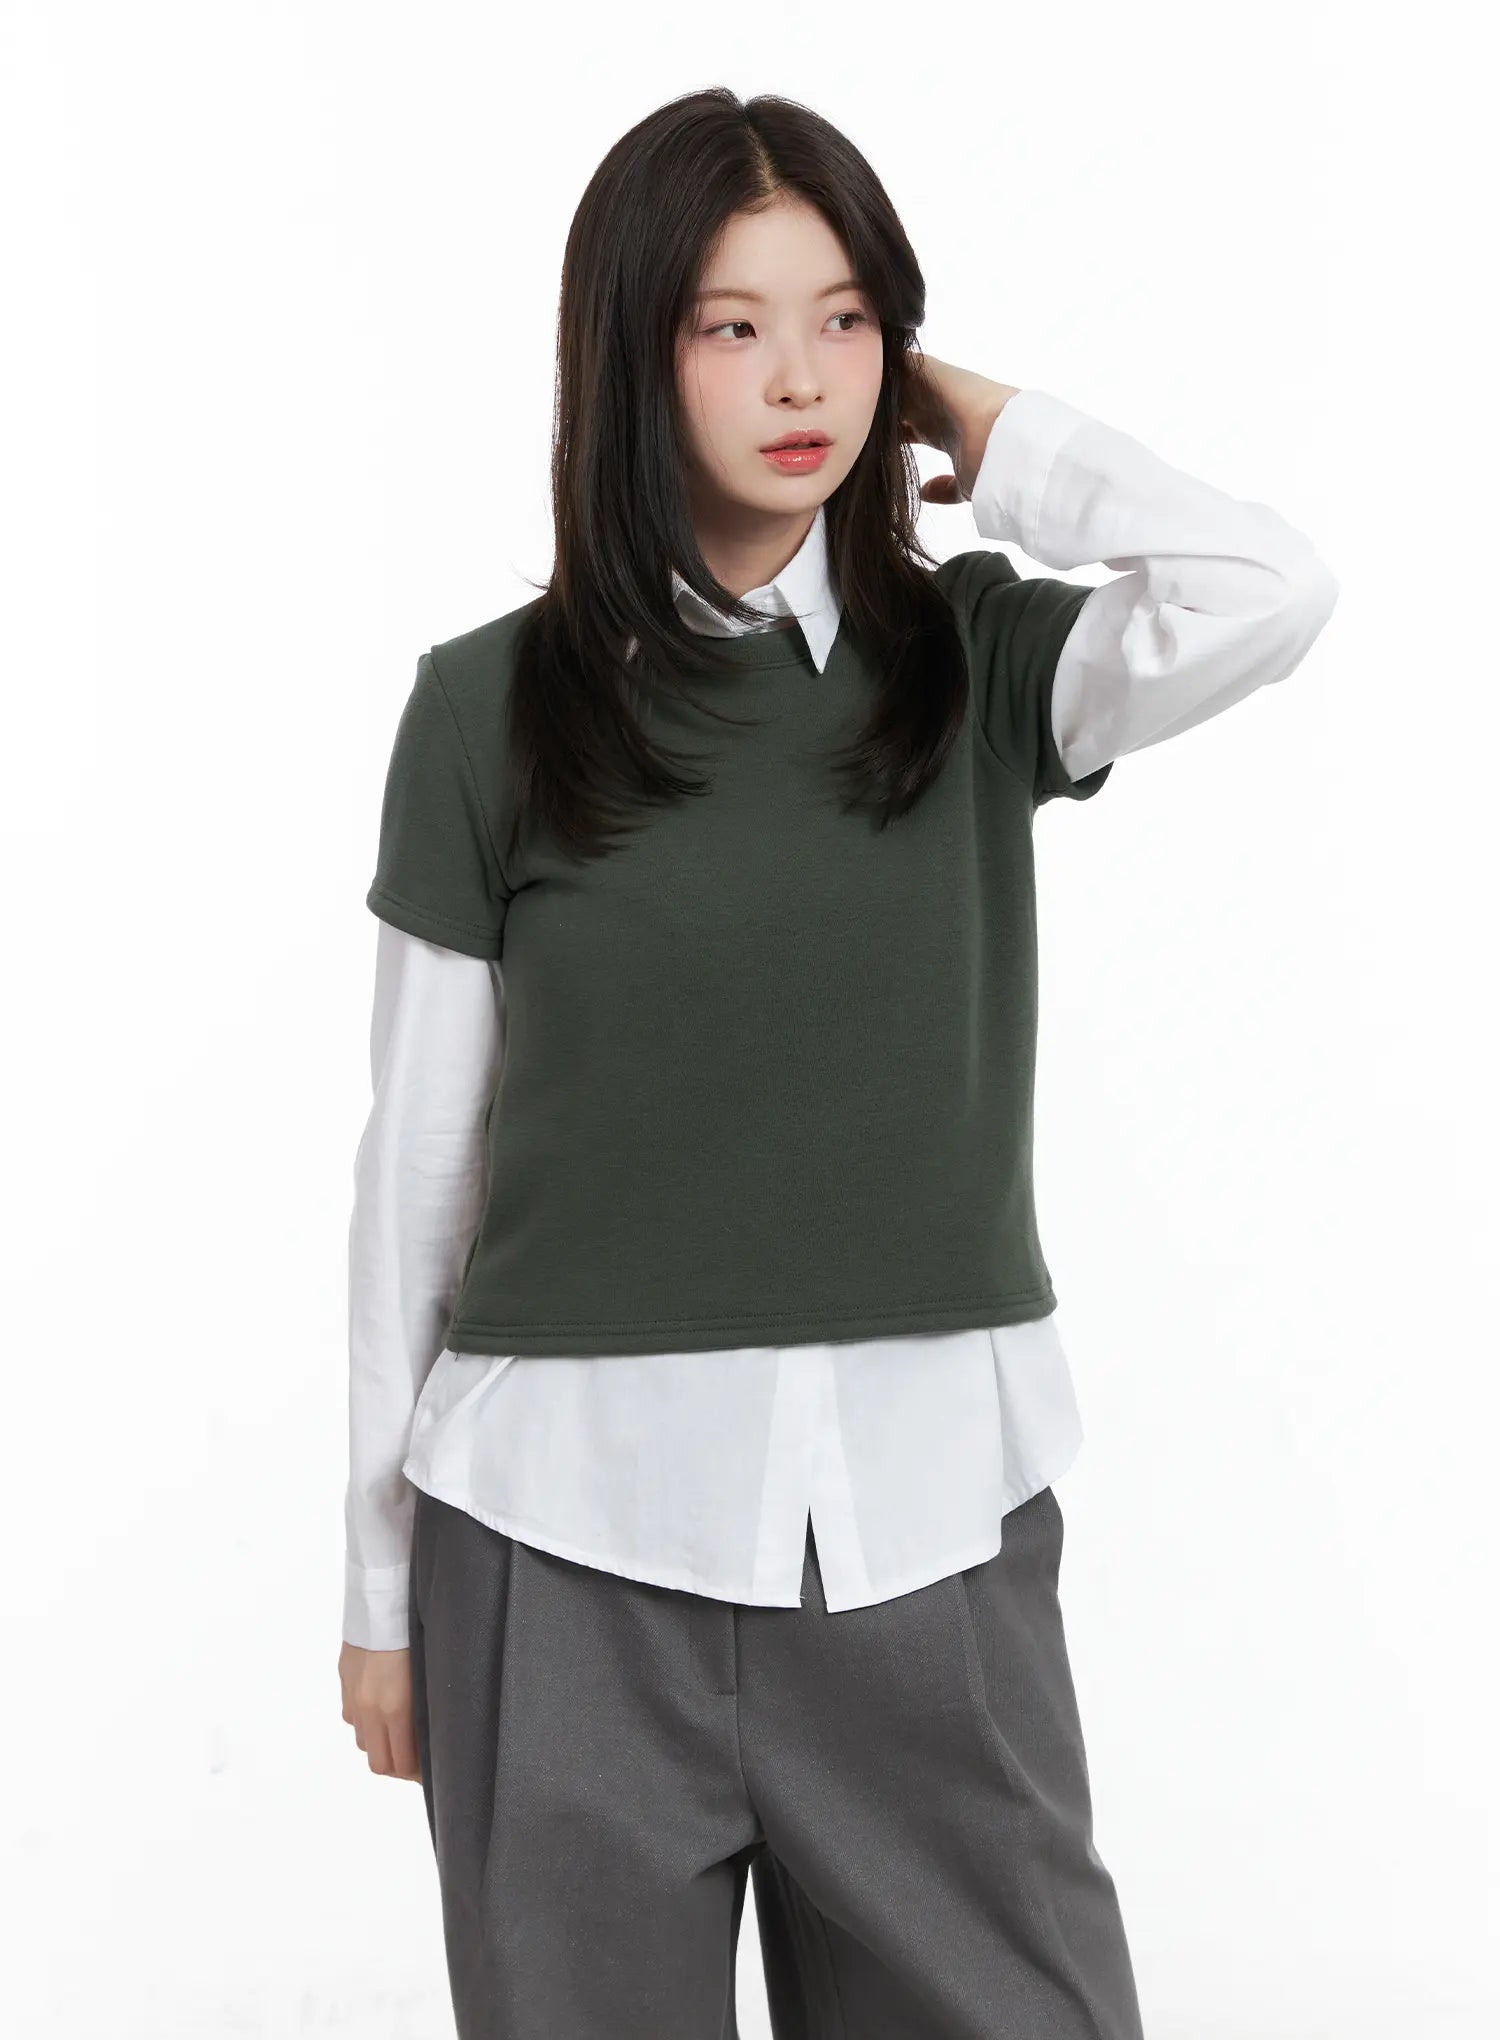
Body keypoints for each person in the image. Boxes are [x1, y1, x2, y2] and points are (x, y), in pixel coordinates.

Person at [337, 86, 1338, 2040]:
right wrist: (380, 1594)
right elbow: (415, 1175)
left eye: (848, 318)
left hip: (926, 1550)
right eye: (733, 325)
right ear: (630, 356)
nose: (802, 377)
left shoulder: (978, 663)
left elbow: (1270, 591)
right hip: (561, 1558)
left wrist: (987, 425)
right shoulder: (486, 711)